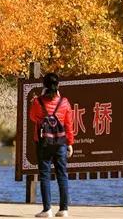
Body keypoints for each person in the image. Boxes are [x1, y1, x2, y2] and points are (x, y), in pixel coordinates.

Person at [28, 73, 74, 218]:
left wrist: (38, 99)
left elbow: (33, 117)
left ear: (44, 86)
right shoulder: (65, 102)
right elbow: (68, 125)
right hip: (60, 143)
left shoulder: (37, 102)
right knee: (62, 174)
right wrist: (70, 143)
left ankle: (47, 209)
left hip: (43, 143)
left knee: (45, 175)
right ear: (58, 85)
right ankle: (64, 209)